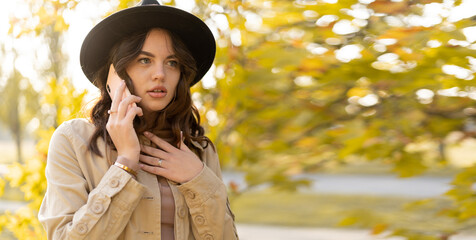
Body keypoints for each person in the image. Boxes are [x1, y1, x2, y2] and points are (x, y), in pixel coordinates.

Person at [38, 0, 239, 239]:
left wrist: (198, 179)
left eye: (172, 63)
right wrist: (125, 164)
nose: (160, 74)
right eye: (144, 60)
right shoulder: (72, 140)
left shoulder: (198, 149)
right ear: (116, 73)